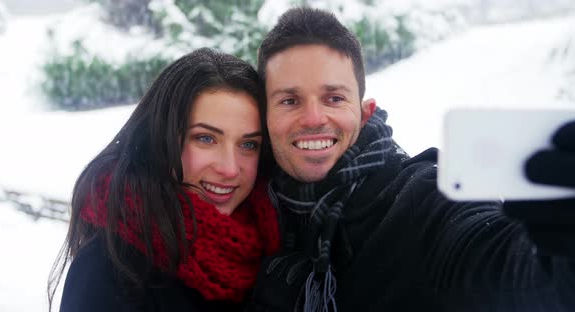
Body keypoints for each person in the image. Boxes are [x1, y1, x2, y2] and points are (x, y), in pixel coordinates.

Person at [246, 7, 575, 312]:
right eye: (290, 100)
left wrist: (560, 259)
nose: (314, 118)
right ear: (264, 117)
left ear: (364, 113)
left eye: (334, 98)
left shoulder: (421, 200)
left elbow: (507, 269)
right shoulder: (244, 201)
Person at [47, 48, 280, 312]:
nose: (229, 168)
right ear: (160, 138)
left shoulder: (274, 247)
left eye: (248, 144)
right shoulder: (110, 267)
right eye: (205, 138)